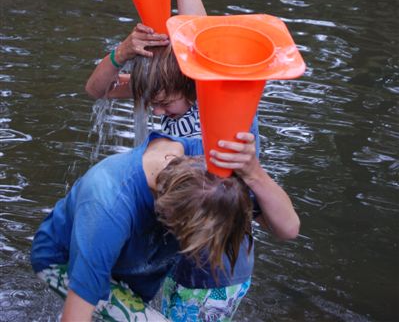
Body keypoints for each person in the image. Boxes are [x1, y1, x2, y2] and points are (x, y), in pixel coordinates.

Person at [84, 0, 265, 320]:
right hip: (178, 256)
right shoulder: (161, 90)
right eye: (153, 104)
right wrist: (123, 51)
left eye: (165, 103)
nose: (159, 112)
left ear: (191, 83)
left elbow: (198, 35)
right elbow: (96, 89)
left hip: (216, 267)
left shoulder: (217, 99)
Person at [31, 127, 300, 322]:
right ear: (168, 218)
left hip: (130, 262)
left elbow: (287, 228)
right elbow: (75, 317)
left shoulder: (210, 173)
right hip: (62, 260)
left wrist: (253, 173)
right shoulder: (108, 207)